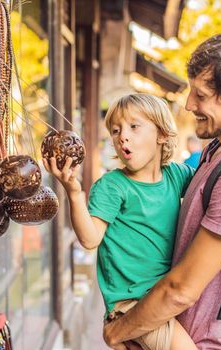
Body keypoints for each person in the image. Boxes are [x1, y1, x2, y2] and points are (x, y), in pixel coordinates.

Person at [103, 31, 221, 350]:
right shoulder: (219, 151)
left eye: (201, 95)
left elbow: (181, 289)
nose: (190, 104)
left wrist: (117, 331)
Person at [43, 93, 197, 350]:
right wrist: (73, 192)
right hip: (132, 304)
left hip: (163, 297)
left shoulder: (176, 175)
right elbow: (90, 239)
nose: (122, 136)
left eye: (134, 127)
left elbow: (211, 183)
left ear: (161, 135)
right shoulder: (113, 186)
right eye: (116, 131)